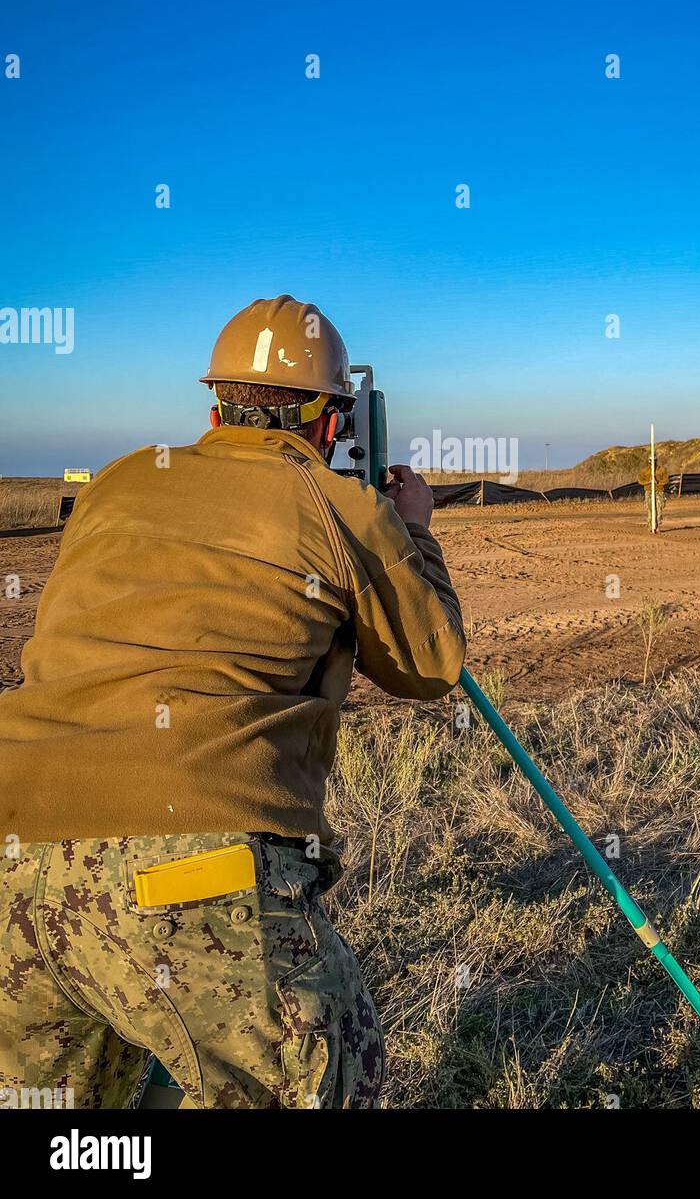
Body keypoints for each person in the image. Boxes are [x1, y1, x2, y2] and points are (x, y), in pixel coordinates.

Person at [0, 295, 465, 1108]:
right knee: (324, 1079)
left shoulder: (117, 482)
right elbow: (430, 664)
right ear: (332, 421)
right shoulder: (338, 504)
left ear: (215, 406)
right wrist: (412, 527)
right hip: (187, 863)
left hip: (15, 861)